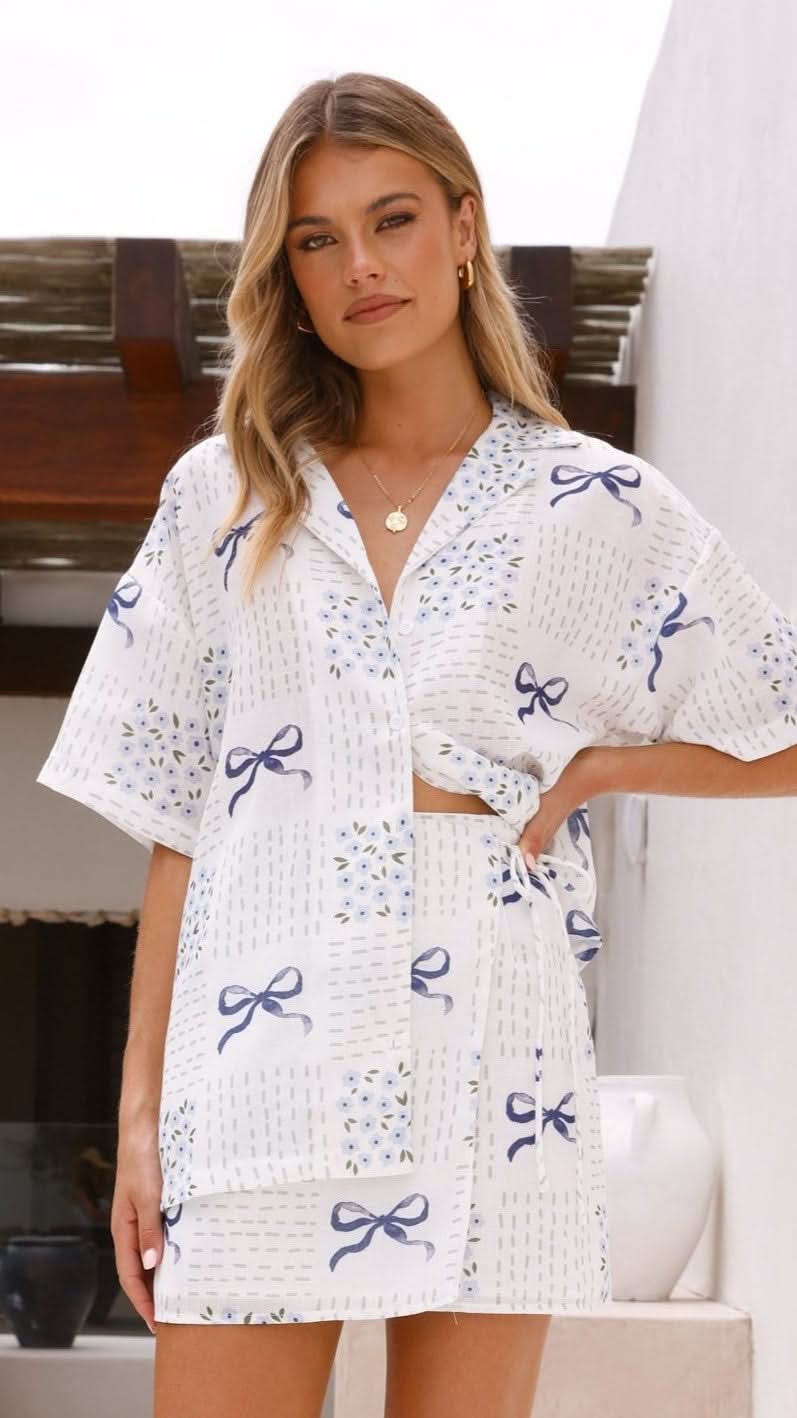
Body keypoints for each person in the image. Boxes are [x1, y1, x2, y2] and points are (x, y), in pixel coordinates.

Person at [35, 71, 797, 1418]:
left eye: (391, 219)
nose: (361, 267)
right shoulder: (224, 492)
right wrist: (140, 1115)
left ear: (463, 227)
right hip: (258, 1051)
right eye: (316, 240)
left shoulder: (591, 502)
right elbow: (176, 819)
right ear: (286, 275)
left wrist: (607, 767)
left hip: (493, 1047)